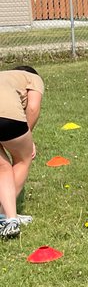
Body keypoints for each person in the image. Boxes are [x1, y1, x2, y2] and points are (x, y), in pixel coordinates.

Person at [0, 65, 44, 239]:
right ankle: (6, 216)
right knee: (23, 159)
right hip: (6, 117)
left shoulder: (7, 76)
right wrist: (29, 137)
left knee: (3, 167)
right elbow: (33, 107)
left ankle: (9, 218)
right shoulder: (33, 78)